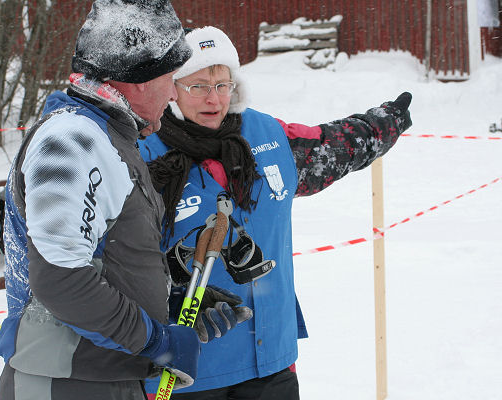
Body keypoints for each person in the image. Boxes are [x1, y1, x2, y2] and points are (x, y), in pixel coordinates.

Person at [139, 26, 413, 399]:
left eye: (222, 84)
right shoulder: (142, 154)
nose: (213, 98)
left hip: (269, 363)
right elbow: (109, 262)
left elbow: (331, 147)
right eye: (198, 85)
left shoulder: (267, 135)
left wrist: (385, 123)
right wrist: (172, 295)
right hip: (184, 373)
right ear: (171, 88)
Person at [0, 2, 244, 399]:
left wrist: (168, 301)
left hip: (101, 376)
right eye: (170, 78)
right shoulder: (73, 140)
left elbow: (101, 257)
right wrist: (155, 339)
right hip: (67, 381)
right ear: (141, 79)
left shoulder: (108, 137)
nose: (172, 95)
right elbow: (62, 279)